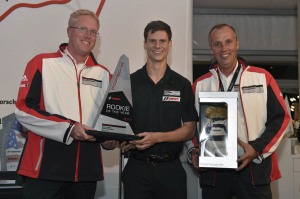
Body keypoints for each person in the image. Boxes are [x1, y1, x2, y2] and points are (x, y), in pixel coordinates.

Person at [15, 9, 118, 199]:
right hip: (45, 172)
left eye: (93, 31)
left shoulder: (104, 74)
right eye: (83, 29)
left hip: (86, 173)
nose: (88, 35)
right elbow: (23, 110)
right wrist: (69, 128)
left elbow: (108, 118)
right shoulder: (42, 63)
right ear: (69, 31)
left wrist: (109, 140)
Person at [187, 24, 290, 199]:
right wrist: (194, 151)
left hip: (253, 168)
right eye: (217, 44)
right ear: (211, 48)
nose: (224, 48)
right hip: (214, 172)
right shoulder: (199, 85)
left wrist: (256, 148)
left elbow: (281, 119)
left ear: (237, 44)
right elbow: (191, 125)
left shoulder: (262, 78)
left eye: (228, 42)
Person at [119, 20, 198, 199]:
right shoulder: (129, 82)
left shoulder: (182, 84)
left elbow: (189, 129)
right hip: (136, 170)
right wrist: (122, 140)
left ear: (170, 44)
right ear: (145, 44)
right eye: (152, 40)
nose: (157, 46)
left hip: (171, 170)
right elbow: (119, 124)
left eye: (162, 41)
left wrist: (157, 138)